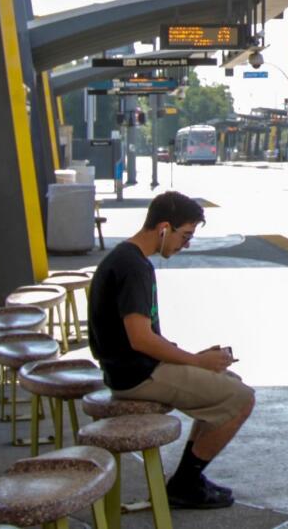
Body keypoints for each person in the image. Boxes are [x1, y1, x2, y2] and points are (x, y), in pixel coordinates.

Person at [88, 191, 255, 510]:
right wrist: (195, 361)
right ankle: (185, 483)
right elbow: (140, 339)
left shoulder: (125, 258)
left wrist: (199, 361)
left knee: (226, 380)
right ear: (164, 228)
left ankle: (187, 480)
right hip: (137, 375)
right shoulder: (135, 268)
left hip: (127, 368)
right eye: (185, 235)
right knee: (241, 398)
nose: (187, 244)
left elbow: (142, 337)